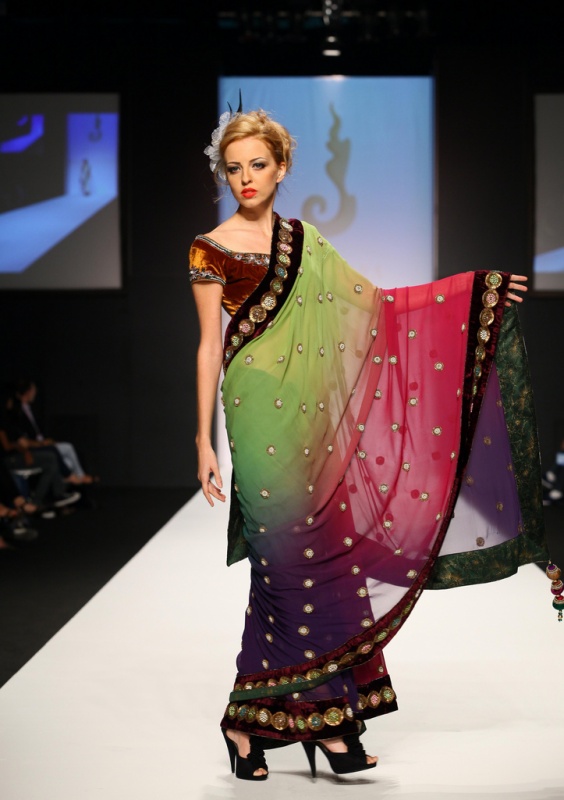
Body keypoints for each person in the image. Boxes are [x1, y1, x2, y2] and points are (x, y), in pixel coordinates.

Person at [189, 109, 548, 781]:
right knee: (281, 562)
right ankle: (304, 724)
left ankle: (274, 722)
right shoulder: (210, 248)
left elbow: (376, 307)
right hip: (257, 411)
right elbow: (211, 346)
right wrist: (203, 440)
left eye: (258, 165)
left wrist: (473, 293)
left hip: (314, 412)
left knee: (322, 555)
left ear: (282, 167)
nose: (245, 178)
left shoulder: (305, 241)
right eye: (233, 168)